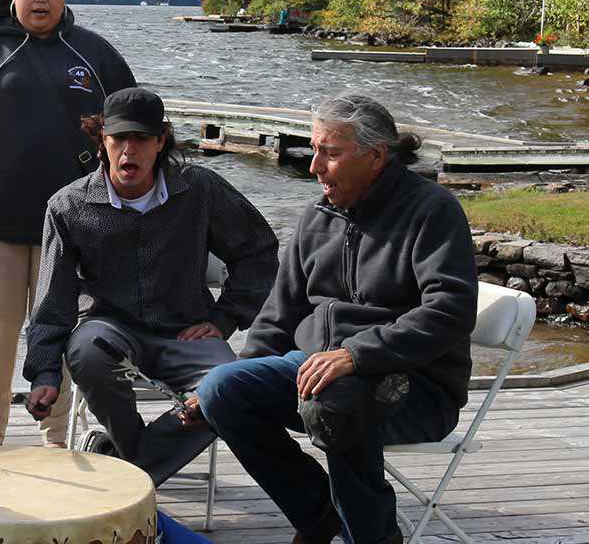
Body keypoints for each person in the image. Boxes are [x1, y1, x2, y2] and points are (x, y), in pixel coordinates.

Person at [195, 93, 479, 544]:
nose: (314, 167)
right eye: (315, 150)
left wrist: (355, 355)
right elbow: (279, 314)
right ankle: (319, 513)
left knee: (337, 401)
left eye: (330, 153)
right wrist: (244, 369)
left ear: (376, 155)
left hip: (415, 385)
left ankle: (371, 536)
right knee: (220, 390)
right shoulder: (317, 216)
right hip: (316, 373)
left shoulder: (432, 211)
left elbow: (450, 310)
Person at [20, 87, 278, 485]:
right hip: (108, 329)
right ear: (101, 140)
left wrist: (226, 317)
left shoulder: (201, 189)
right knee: (85, 351)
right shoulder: (67, 206)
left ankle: (127, 468)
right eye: (118, 139)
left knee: (234, 388)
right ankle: (140, 461)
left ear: (161, 141)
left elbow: (258, 251)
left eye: (140, 139)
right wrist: (44, 374)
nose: (128, 151)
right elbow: (53, 300)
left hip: (188, 331)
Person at [0, 0, 138, 447]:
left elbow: (135, 125)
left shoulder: (94, 52)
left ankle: (55, 434)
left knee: (58, 326)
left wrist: (114, 190)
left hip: (73, 223)